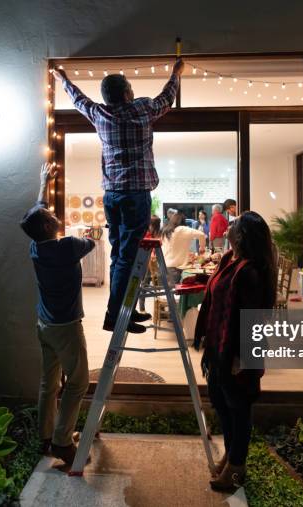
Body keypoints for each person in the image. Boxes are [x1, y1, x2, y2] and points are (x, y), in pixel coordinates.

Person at [52, 58, 185, 334]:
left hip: (112, 196)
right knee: (126, 257)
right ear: (126, 93)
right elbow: (167, 98)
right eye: (131, 89)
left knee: (119, 257)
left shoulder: (100, 114)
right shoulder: (142, 109)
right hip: (135, 195)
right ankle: (115, 316)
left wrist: (62, 78)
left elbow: (78, 99)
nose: (133, 92)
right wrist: (176, 73)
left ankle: (124, 311)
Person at [194, 211, 277, 491]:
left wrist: (242, 357)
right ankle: (230, 456)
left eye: (234, 225)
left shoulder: (250, 271)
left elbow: (252, 319)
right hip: (220, 347)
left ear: (240, 236)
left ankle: (237, 467)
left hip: (237, 352)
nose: (228, 227)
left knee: (238, 408)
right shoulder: (232, 260)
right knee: (223, 405)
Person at [20, 163, 95, 466]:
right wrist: (91, 234)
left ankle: (46, 436)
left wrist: (43, 180)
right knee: (78, 382)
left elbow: (40, 207)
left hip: (44, 323)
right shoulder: (69, 246)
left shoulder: (36, 247)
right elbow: (91, 241)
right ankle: (63, 443)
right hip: (65, 327)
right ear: (50, 226)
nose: (54, 214)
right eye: (52, 217)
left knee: (48, 382)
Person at [161, 211, 206, 284]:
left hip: (165, 265)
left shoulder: (166, 230)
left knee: (170, 291)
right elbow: (201, 234)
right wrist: (202, 247)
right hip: (176, 267)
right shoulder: (182, 229)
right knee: (176, 291)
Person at [138, 215, 161, 312]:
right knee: (144, 284)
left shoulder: (153, 234)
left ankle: (144, 308)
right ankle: (142, 308)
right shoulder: (147, 234)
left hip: (149, 262)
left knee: (146, 284)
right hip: (144, 263)